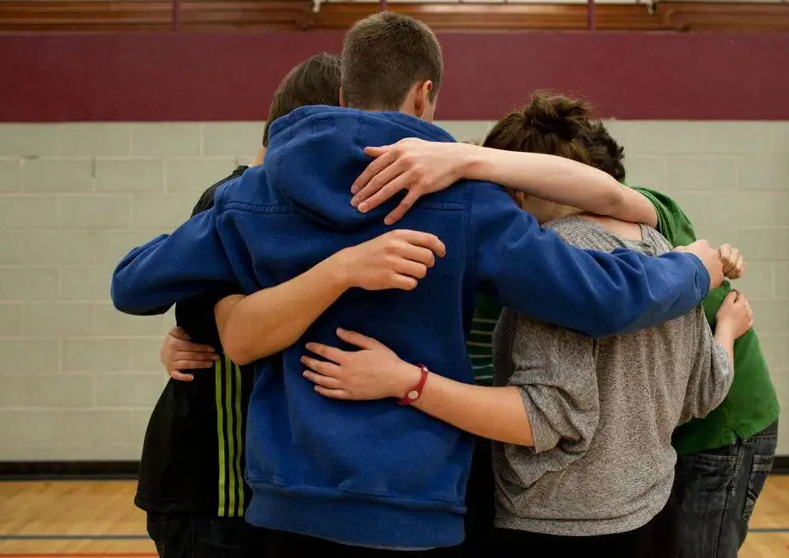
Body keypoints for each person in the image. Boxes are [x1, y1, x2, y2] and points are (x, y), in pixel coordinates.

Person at [111, 12, 724, 554]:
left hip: (286, 498)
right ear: (426, 94)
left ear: (345, 92)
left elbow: (133, 284)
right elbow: (604, 299)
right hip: (416, 497)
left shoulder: (254, 194)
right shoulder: (462, 201)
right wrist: (695, 266)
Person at [300, 93, 750, 556]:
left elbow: (545, 417)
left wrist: (406, 382)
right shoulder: (673, 251)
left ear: (515, 186)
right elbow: (706, 389)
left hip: (560, 519)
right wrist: (727, 330)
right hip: (648, 508)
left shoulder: (552, 263)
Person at [134, 53, 449, 558]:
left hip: (287, 483)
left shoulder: (335, 212)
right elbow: (215, 326)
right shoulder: (234, 203)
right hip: (220, 487)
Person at [583, 121, 780, 558]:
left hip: (723, 425)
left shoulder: (649, 211)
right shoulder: (582, 242)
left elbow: (703, 390)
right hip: (676, 432)